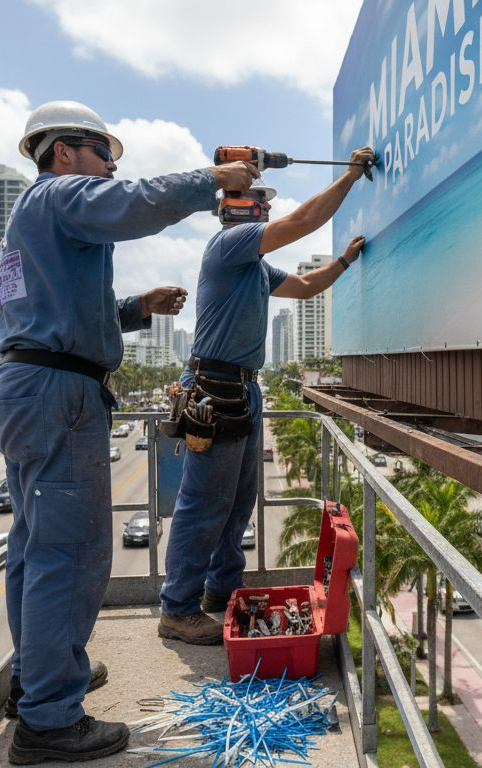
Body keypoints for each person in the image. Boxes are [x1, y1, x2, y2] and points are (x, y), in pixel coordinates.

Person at [0, 100, 258, 764]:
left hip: (29, 386)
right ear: (63, 151)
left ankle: (37, 680)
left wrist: (137, 309)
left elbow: (65, 311)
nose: (110, 167)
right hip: (57, 393)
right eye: (104, 153)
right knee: (70, 557)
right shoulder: (56, 197)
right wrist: (214, 181)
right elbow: (139, 202)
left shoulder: (38, 222)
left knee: (33, 548)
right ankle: (50, 723)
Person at [157, 146, 374, 645]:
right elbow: (301, 223)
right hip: (215, 388)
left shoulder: (252, 269)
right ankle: (177, 608)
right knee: (204, 503)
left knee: (235, 504)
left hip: (241, 391)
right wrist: (349, 178)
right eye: (262, 201)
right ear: (241, 207)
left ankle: (220, 591)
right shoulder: (228, 245)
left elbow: (303, 285)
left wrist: (343, 260)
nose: (269, 209)